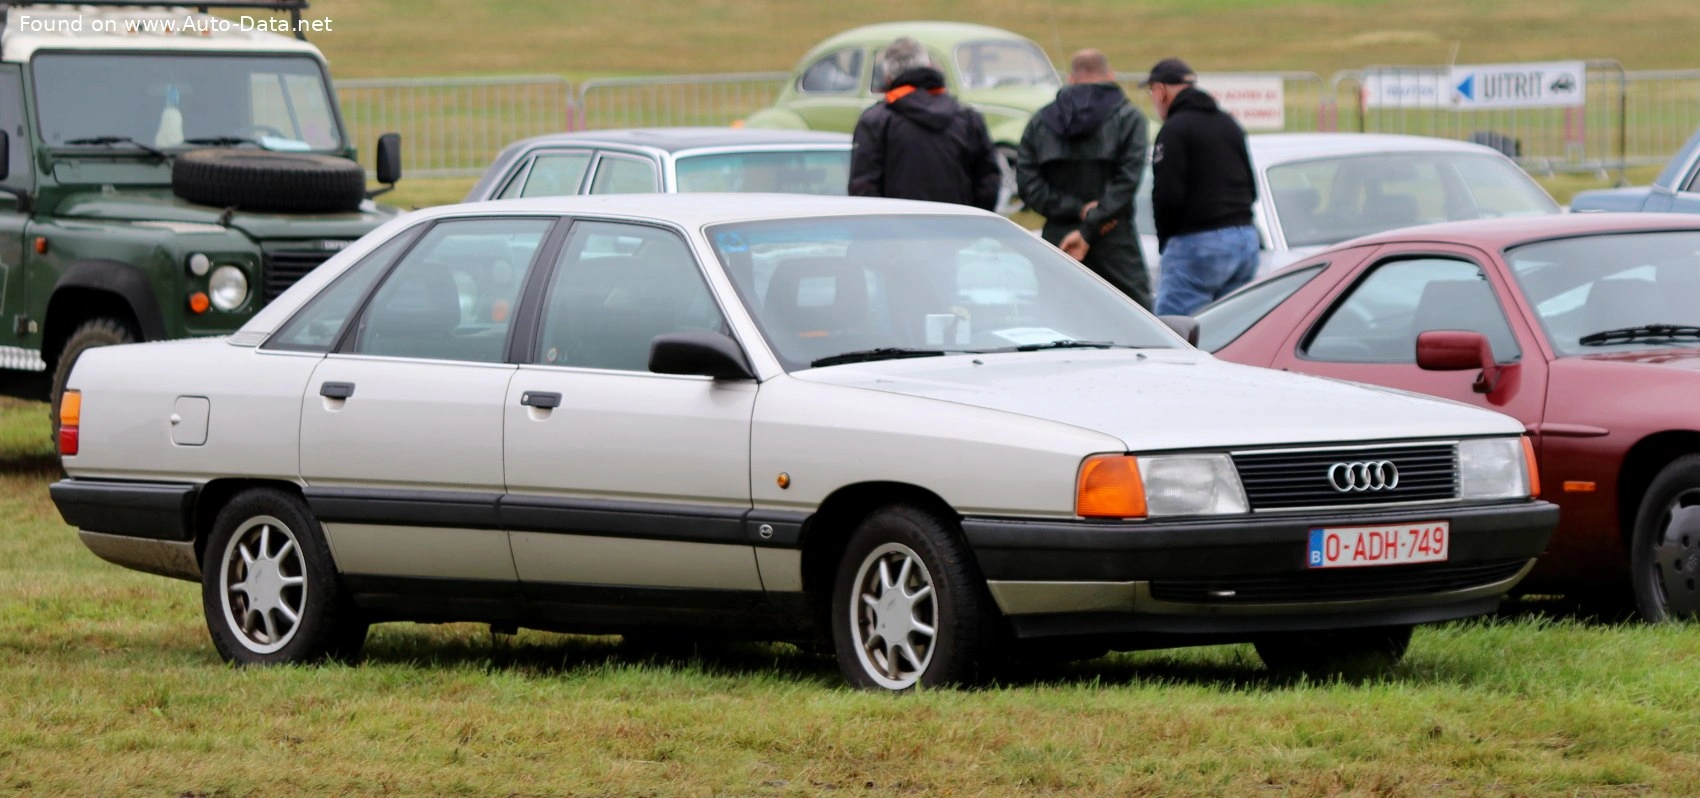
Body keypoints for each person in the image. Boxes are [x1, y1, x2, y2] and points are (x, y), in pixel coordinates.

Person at [1016, 49, 1151, 307]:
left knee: (1058, 320)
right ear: (1110, 76)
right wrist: (1092, 220)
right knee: (1135, 319)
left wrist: (1074, 210)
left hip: (1059, 235)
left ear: (1071, 78)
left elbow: (1028, 184)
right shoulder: (1129, 118)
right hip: (1114, 235)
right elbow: (1127, 182)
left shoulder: (1040, 122)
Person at [1142, 57, 1259, 316]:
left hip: (1197, 242)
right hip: (1244, 240)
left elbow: (1167, 196)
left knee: (1174, 332)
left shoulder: (1174, 130)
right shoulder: (1229, 124)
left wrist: (1167, 244)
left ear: (1161, 90)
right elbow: (1251, 188)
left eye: (1151, 91)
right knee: (1231, 330)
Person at [848, 37, 1002, 211]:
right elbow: (988, 182)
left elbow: (863, 190)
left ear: (888, 77)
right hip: (957, 230)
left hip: (896, 234)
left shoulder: (875, 121)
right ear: (928, 67)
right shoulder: (967, 119)